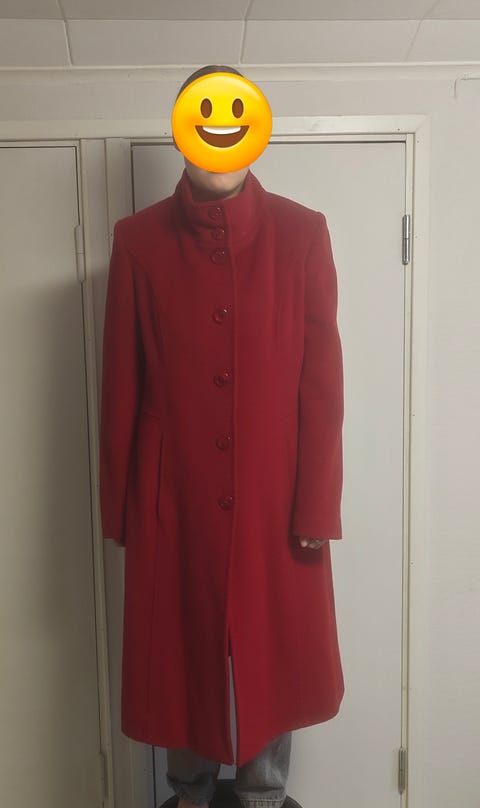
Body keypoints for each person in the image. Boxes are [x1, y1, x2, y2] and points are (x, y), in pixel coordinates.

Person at [99, 65, 344, 808]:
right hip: (171, 496)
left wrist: (316, 504)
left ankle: (264, 794)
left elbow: (321, 384)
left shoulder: (302, 234)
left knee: (273, 646)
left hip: (276, 493)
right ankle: (189, 792)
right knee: (183, 650)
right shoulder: (137, 240)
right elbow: (121, 384)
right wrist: (121, 508)